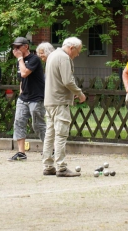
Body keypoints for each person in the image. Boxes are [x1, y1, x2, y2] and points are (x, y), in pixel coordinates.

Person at [42, 37, 86, 177]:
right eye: (77, 51)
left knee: (50, 134)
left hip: (50, 100)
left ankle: (48, 165)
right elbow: (67, 80)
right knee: (60, 134)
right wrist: (79, 93)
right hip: (59, 102)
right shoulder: (64, 57)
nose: (77, 55)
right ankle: (61, 167)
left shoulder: (52, 55)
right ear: (71, 48)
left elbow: (57, 80)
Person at [8, 37, 46, 161]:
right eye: (15, 47)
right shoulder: (19, 61)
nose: (16, 49)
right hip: (24, 98)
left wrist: (20, 59)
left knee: (38, 125)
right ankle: (21, 153)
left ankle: (50, 149)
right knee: (18, 122)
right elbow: (21, 79)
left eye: (18, 47)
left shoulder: (34, 59)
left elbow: (25, 73)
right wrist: (21, 92)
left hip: (36, 97)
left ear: (26, 46)